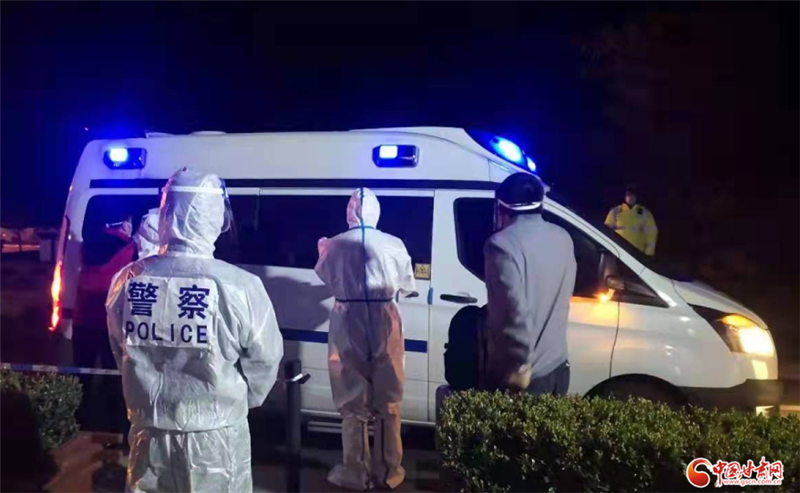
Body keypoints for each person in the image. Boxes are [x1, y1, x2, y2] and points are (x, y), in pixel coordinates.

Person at [106, 168, 284, 493]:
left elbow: (121, 350)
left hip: (149, 433)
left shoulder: (128, 280)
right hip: (216, 437)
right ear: (215, 216)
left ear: (166, 214)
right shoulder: (240, 285)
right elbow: (265, 360)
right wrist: (237, 400)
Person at [315, 188, 415, 491]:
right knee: (389, 396)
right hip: (386, 317)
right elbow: (407, 284)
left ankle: (356, 470)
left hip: (347, 316)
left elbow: (325, 275)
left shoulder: (333, 244)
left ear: (350, 211)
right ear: (376, 211)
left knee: (351, 397)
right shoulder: (394, 244)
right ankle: (389, 471)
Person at [484, 173, 576, 395]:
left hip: (525, 377)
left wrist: (521, 365)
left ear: (501, 208)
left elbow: (513, 312)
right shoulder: (563, 237)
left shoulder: (501, 244)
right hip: (558, 367)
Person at [604, 184, 658, 256]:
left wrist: (648, 254)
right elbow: (606, 231)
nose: (630, 197)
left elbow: (652, 234)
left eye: (633, 195)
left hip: (637, 254)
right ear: (625, 196)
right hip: (617, 252)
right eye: (628, 195)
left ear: (637, 197)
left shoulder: (645, 213)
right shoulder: (615, 211)